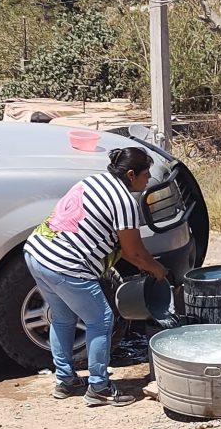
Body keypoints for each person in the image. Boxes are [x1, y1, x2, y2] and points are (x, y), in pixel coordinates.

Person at [24, 147, 168, 407]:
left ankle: (66, 380)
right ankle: (99, 387)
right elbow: (132, 251)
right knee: (101, 320)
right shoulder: (124, 202)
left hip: (37, 253)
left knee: (63, 318)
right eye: (146, 175)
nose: (148, 180)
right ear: (131, 174)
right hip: (66, 265)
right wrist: (156, 269)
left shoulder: (93, 181)